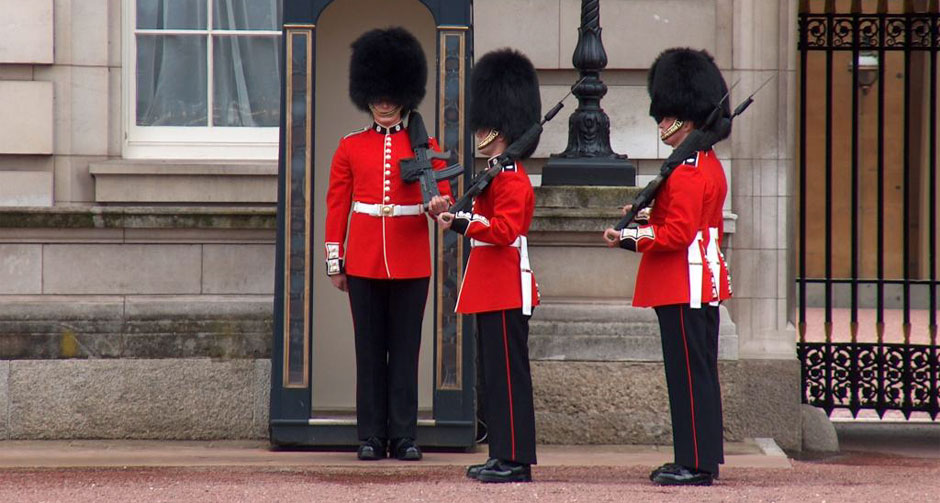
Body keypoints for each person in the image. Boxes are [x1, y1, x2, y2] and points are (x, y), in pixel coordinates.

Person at [603, 47, 732, 486]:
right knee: (694, 375)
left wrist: (628, 238)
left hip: (685, 281)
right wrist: (643, 217)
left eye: (666, 116)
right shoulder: (697, 165)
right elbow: (679, 221)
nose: (660, 123)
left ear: (687, 117)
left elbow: (677, 235)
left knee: (688, 378)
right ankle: (698, 457)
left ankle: (694, 464)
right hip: (693, 281)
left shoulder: (690, 170)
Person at [324, 27, 452, 462]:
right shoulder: (349, 146)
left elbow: (443, 199)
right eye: (376, 94)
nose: (383, 102)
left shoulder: (425, 146)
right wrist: (334, 262)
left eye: (390, 94)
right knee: (369, 350)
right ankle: (371, 436)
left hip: (411, 261)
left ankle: (403, 435)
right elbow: (336, 207)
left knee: (405, 351)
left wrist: (439, 204)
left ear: (404, 94)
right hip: (361, 261)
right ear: (367, 94)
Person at [436, 48, 541, 483]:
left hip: (505, 286)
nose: (479, 131)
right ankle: (502, 452)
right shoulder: (495, 175)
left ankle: (514, 459)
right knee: (493, 379)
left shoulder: (512, 178)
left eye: (486, 126)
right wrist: (449, 210)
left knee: (508, 378)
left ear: (500, 128)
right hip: (489, 285)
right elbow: (478, 219)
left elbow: (502, 230)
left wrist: (460, 221)